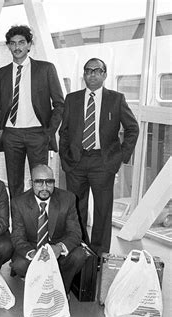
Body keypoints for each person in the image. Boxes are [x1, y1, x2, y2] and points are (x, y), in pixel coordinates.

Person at [59, 58, 139, 256]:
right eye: (88, 70)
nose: (92, 74)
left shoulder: (116, 99)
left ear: (104, 75)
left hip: (103, 162)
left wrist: (120, 156)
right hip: (76, 161)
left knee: (103, 211)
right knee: (76, 209)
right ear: (84, 75)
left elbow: (132, 128)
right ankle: (79, 250)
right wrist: (65, 157)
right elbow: (65, 131)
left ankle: (100, 253)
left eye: (97, 70)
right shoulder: (72, 99)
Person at [0, 25, 64, 199]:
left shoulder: (45, 69)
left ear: (29, 45)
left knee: (40, 183)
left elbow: (59, 104)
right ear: (8, 46)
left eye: (21, 43)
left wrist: (48, 133)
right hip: (11, 134)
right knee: (14, 184)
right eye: (13, 43)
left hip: (37, 134)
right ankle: (18, 224)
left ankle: (38, 223)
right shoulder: (1, 73)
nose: (17, 47)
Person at [10, 164, 86, 294]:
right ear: (31, 183)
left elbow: (75, 233)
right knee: (19, 264)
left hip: (57, 247)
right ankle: (37, 287)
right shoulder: (19, 202)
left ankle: (62, 289)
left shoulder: (68, 199)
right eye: (39, 182)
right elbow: (18, 236)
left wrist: (59, 247)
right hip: (33, 246)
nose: (45, 188)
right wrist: (33, 253)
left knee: (79, 255)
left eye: (49, 182)